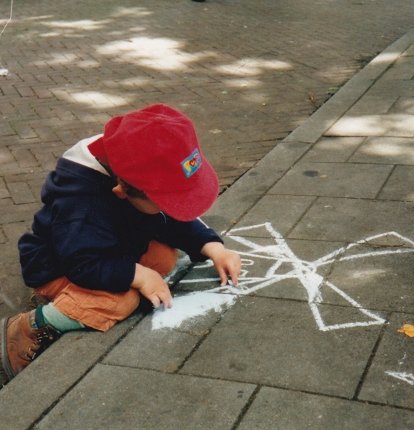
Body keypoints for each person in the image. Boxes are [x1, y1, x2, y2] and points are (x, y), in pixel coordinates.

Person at [0, 104, 241, 384]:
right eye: (167, 202)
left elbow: (173, 218)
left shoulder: (131, 164)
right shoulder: (81, 204)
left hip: (108, 247)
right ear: (122, 191)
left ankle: (96, 290)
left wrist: (213, 247)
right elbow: (84, 263)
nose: (174, 209)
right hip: (60, 266)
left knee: (164, 259)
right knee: (120, 302)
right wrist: (137, 275)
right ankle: (28, 328)